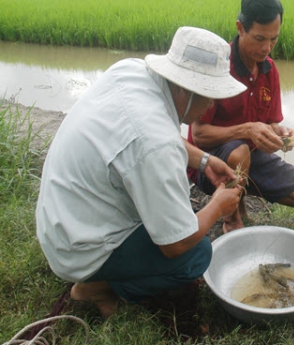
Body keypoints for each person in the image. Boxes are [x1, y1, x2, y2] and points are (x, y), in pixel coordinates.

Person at [36, 26, 247, 318]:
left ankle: (101, 273)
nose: (212, 105)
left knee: (173, 206)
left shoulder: (132, 72)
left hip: (61, 219)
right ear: (185, 89)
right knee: (196, 254)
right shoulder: (154, 143)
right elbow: (176, 244)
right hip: (80, 246)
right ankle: (96, 287)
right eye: (209, 96)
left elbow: (147, 134)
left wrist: (204, 160)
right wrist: (217, 206)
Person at [185, 0, 294, 233]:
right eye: (260, 38)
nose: (267, 47)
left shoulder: (269, 70)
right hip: (210, 163)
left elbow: (270, 123)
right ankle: (231, 218)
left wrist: (280, 133)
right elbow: (199, 135)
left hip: (250, 158)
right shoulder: (218, 67)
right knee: (239, 151)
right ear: (240, 28)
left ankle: (244, 190)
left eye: (274, 39)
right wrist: (247, 129)